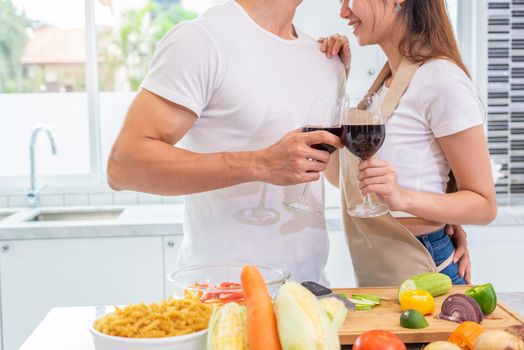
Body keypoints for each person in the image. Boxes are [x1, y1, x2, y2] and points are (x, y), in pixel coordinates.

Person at [107, 0, 349, 283]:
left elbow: (335, 175)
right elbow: (123, 165)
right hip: (221, 297)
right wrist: (260, 164)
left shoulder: (323, 58)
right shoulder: (202, 41)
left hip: (309, 292)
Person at [322, 0, 496, 286]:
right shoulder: (380, 88)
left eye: (350, 0)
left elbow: (484, 204)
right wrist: (334, 76)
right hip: (382, 279)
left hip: (424, 271)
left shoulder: (441, 79)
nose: (343, 12)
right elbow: (338, 179)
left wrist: (402, 197)